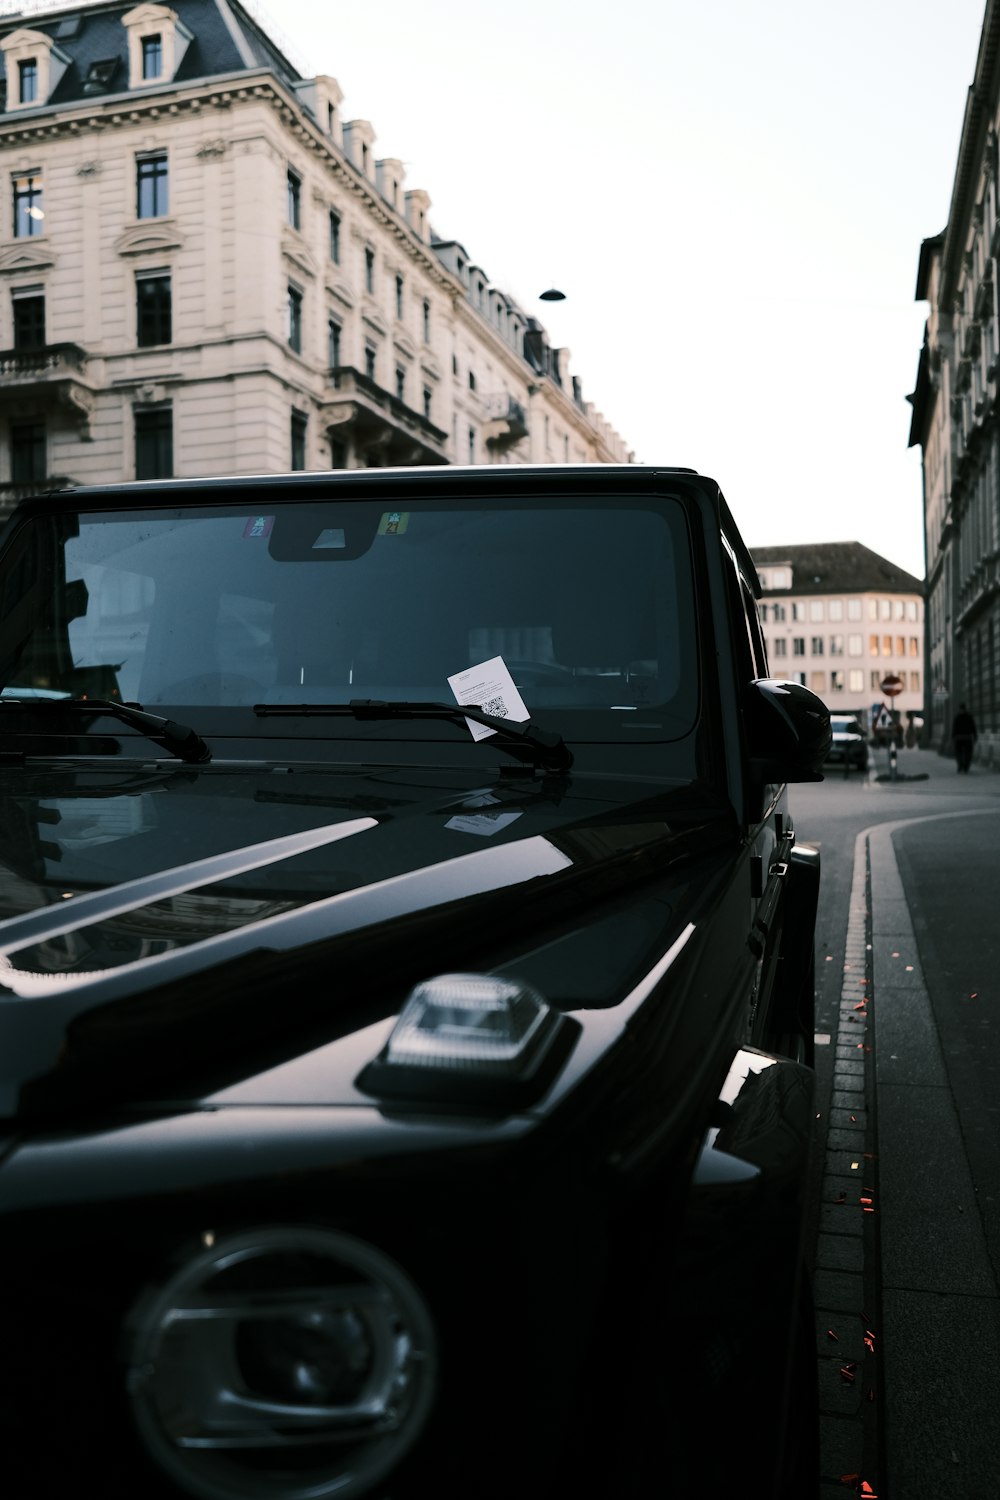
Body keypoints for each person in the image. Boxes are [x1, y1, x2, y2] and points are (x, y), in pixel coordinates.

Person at [951, 702, 977, 772]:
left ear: (960, 709)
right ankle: (965, 766)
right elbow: (973, 727)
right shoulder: (969, 717)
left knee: (959, 753)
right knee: (968, 753)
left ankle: (961, 765)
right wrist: (975, 736)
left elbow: (954, 728)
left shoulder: (957, 718)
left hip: (960, 738)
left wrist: (953, 737)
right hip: (967, 738)